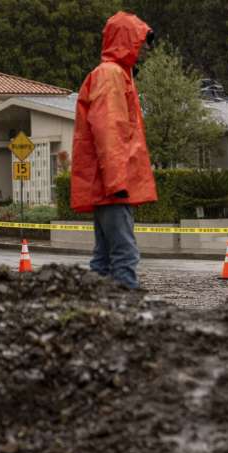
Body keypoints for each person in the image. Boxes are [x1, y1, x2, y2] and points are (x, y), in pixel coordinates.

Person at [70, 12, 157, 289]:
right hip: (113, 186)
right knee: (122, 253)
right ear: (127, 41)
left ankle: (99, 309)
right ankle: (124, 308)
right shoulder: (111, 76)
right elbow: (109, 130)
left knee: (105, 255)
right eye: (140, 41)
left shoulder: (112, 75)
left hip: (107, 184)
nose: (143, 48)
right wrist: (117, 182)